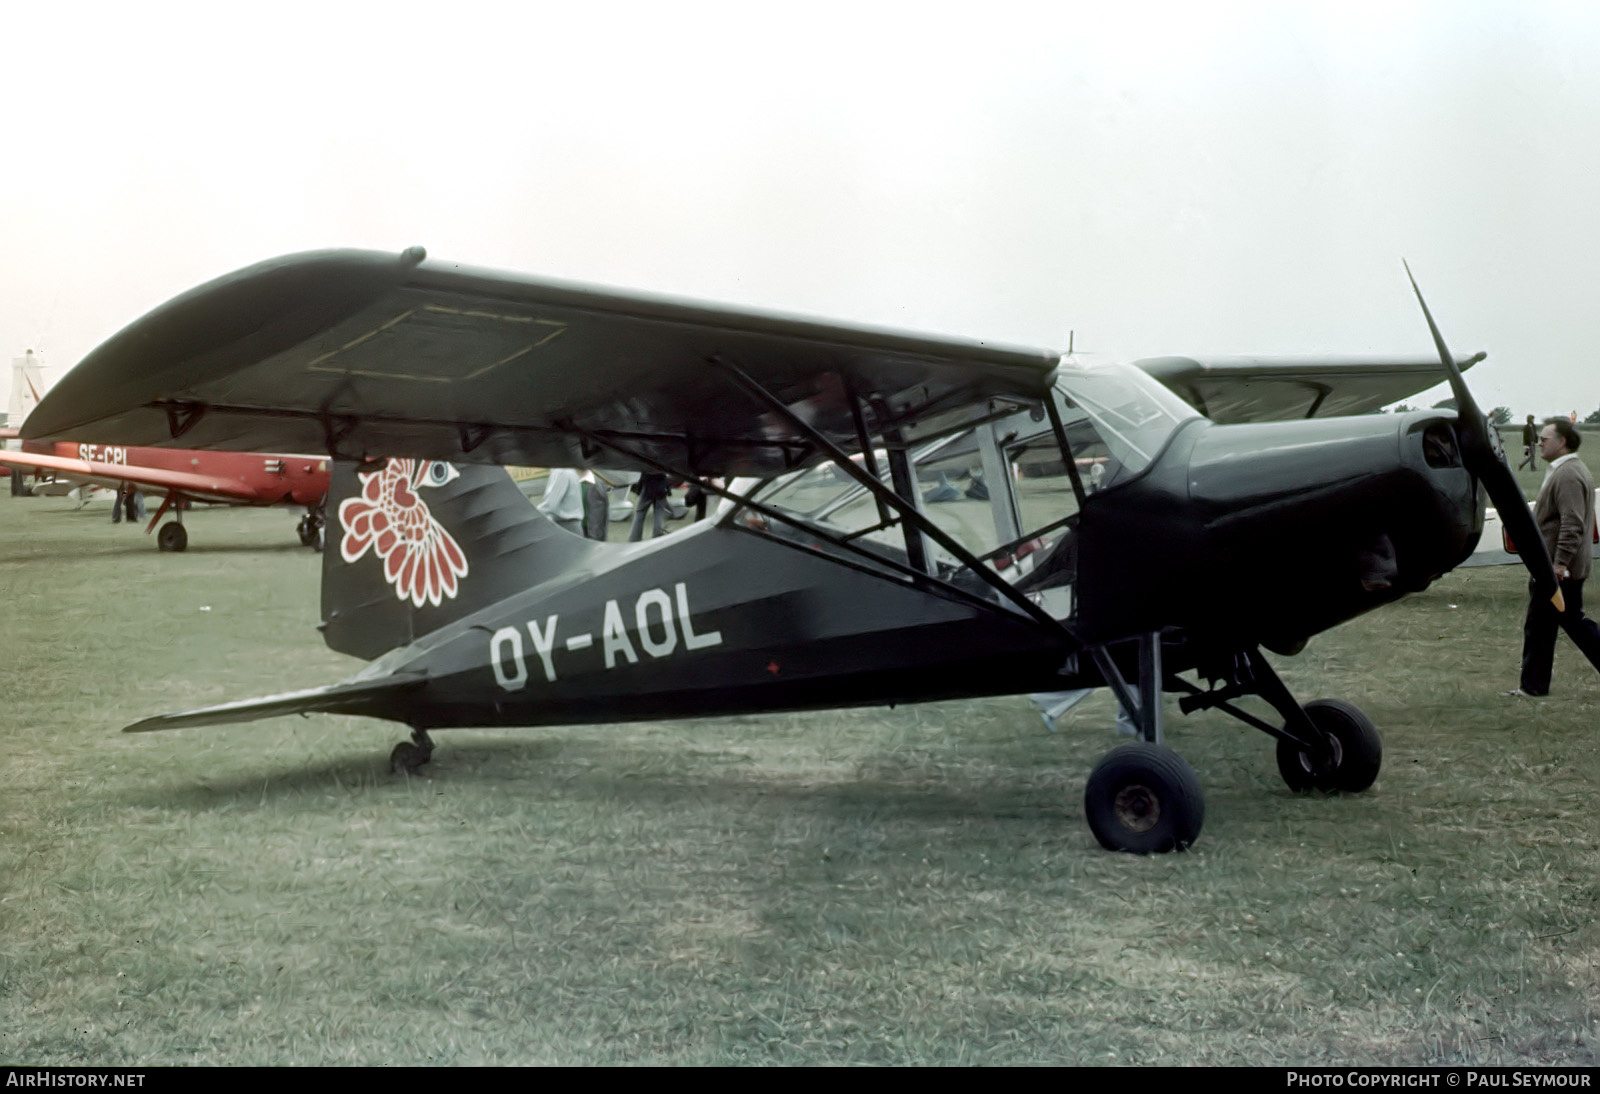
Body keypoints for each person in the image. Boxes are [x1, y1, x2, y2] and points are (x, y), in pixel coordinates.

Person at [1505, 417, 1600, 696]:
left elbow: (1573, 523)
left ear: (1562, 442)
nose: (1539, 444)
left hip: (1558, 571)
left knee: (1543, 626)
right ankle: (1533, 687)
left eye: (1544, 439)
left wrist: (1559, 563)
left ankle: (1532, 688)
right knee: (1566, 624)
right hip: (1558, 568)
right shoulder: (1567, 469)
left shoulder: (1568, 474)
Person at [536, 468, 585, 535]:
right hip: (572, 526)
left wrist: (532, 514)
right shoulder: (569, 470)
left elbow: (550, 505)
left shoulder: (560, 471)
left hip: (566, 527)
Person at [628, 471, 672, 541]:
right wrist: (668, 490)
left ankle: (635, 538)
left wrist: (638, 491)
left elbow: (643, 477)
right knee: (659, 514)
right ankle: (657, 535)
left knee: (640, 514)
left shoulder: (648, 464)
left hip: (647, 490)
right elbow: (665, 477)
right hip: (661, 490)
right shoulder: (661, 463)